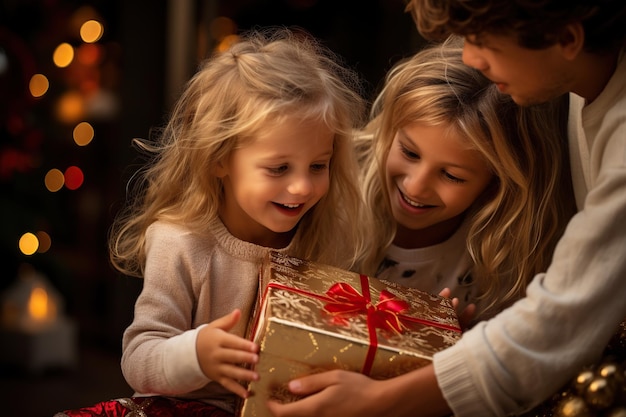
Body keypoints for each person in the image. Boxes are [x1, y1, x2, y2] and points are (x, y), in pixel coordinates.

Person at [266, 1, 626, 416]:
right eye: (408, 151)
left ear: (566, 37)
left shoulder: (505, 252)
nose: (469, 56)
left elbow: (557, 329)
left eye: (482, 40)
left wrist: (394, 392)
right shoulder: (328, 196)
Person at [57, 28, 367, 417]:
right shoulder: (182, 243)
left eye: (318, 166)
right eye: (279, 168)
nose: (302, 185)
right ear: (219, 159)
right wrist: (196, 354)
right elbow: (138, 360)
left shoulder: (326, 239)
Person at [353, 37, 574, 324]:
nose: (416, 186)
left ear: (495, 183)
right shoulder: (335, 194)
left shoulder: (498, 258)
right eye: (409, 152)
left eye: (452, 175)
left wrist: (457, 341)